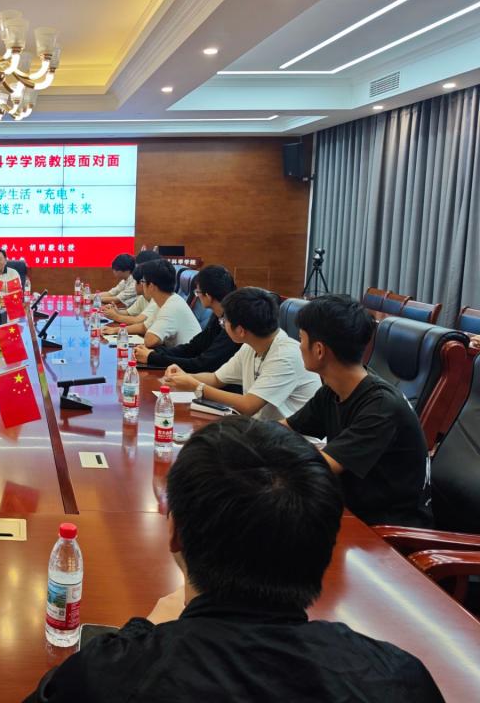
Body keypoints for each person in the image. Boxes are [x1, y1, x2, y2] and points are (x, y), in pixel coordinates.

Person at [24, 417, 443, 703]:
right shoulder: (400, 679)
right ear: (324, 541)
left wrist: (144, 633)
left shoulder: (105, 677)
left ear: (174, 533)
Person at [282, 295, 432, 527]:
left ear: (319, 350)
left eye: (301, 338)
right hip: (351, 509)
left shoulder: (381, 406)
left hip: (389, 530)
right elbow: (284, 429)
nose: (298, 345)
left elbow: (317, 467)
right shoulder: (333, 390)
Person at [163, 287, 320, 420]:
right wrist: (183, 377)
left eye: (224, 321)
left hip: (297, 441)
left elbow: (248, 405)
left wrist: (197, 386)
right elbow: (216, 379)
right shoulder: (251, 346)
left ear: (240, 331)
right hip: (264, 432)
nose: (223, 324)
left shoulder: (286, 355)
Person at [133, 265, 240, 371]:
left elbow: (202, 364)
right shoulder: (218, 316)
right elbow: (192, 348)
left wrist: (152, 358)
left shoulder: (233, 324)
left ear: (208, 296)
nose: (197, 296)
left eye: (197, 292)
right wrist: (155, 353)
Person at [105, 258, 200, 349]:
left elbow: (150, 341)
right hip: (176, 354)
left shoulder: (171, 306)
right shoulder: (165, 300)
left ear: (151, 286)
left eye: (143, 281)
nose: (142, 285)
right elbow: (144, 327)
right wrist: (116, 330)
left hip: (185, 359)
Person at [102, 251, 163, 325]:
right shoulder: (143, 297)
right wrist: (115, 311)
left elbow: (138, 322)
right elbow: (129, 313)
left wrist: (115, 316)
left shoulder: (158, 299)